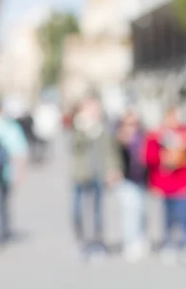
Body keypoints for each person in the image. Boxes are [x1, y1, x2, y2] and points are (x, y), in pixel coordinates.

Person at [144, 105, 186, 266]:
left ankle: (185, 241)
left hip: (182, 182)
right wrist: (161, 154)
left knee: (185, 214)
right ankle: (168, 242)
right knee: (167, 215)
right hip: (166, 183)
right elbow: (149, 157)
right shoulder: (157, 135)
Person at [70, 93, 119, 261]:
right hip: (80, 174)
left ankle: (98, 242)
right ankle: (81, 241)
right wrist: (83, 128)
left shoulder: (103, 128)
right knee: (77, 211)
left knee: (98, 210)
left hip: (98, 173)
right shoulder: (78, 127)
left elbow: (110, 151)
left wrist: (113, 169)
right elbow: (74, 146)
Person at [0, 99, 29, 248]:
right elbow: (20, 150)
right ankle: (4, 230)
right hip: (7, 172)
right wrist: (20, 173)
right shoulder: (9, 125)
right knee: (4, 203)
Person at [110, 109, 148, 262]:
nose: (131, 127)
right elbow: (112, 157)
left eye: (134, 124)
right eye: (128, 123)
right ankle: (129, 241)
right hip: (125, 179)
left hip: (141, 180)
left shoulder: (142, 138)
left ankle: (140, 237)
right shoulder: (118, 138)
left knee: (141, 210)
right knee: (129, 210)